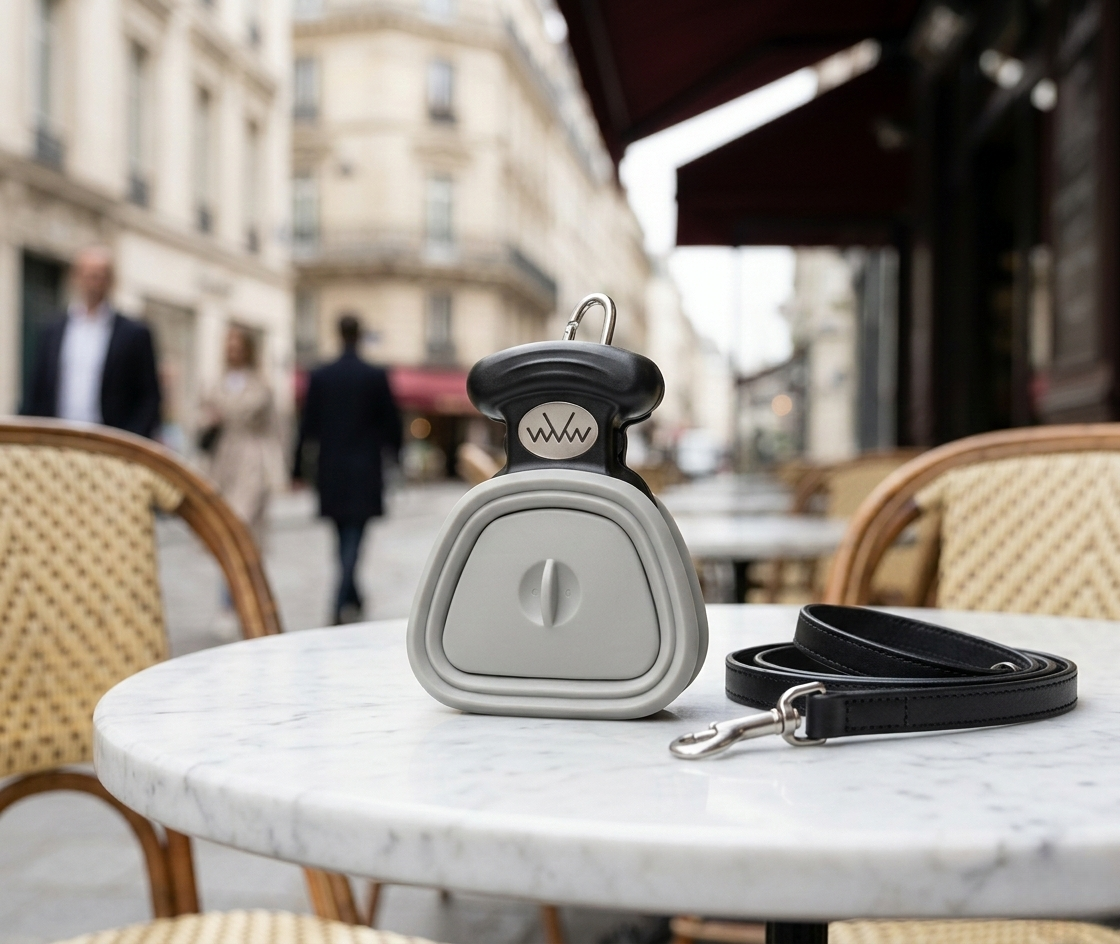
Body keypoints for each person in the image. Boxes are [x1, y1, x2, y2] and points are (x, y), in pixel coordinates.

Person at [294, 315, 402, 624]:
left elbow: (307, 427)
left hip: (331, 469)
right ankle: (342, 599)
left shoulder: (321, 376)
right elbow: (392, 425)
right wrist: (395, 458)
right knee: (354, 537)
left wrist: (296, 468)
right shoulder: (374, 376)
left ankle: (349, 595)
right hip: (365, 470)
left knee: (342, 537)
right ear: (360, 334)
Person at [22, 245, 161, 438]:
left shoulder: (134, 334)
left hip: (111, 441)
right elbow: (36, 391)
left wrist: (131, 440)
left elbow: (149, 397)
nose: (93, 282)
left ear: (111, 280)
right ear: (75, 277)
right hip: (57, 439)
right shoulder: (51, 331)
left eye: (99, 275)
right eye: (87, 275)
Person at [200, 327, 287, 549]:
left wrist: (279, 469)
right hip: (221, 458)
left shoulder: (260, 385)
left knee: (243, 517)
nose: (233, 353)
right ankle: (231, 569)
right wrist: (209, 420)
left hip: (251, 456)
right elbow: (200, 418)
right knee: (221, 519)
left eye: (238, 349)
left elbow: (275, 430)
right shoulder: (215, 384)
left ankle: (242, 567)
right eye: (230, 349)